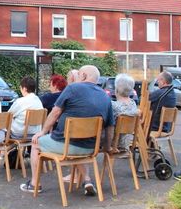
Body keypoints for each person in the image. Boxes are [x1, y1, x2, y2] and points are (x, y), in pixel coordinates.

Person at [20, 65, 114, 196]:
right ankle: (87, 180)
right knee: (79, 140)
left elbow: (55, 112)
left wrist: (43, 132)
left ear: (83, 76)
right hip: (90, 148)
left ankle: (34, 184)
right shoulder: (105, 96)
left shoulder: (72, 88)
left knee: (36, 142)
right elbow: (110, 126)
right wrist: (108, 147)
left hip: (67, 145)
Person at [9, 76, 44, 141]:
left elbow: (9, 115)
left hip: (19, 134)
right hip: (35, 133)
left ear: (24, 88)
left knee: (3, 131)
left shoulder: (20, 101)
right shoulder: (38, 101)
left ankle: (2, 150)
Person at [111, 74, 140, 150]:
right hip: (128, 141)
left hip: (113, 143)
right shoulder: (133, 104)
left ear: (116, 90)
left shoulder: (113, 106)